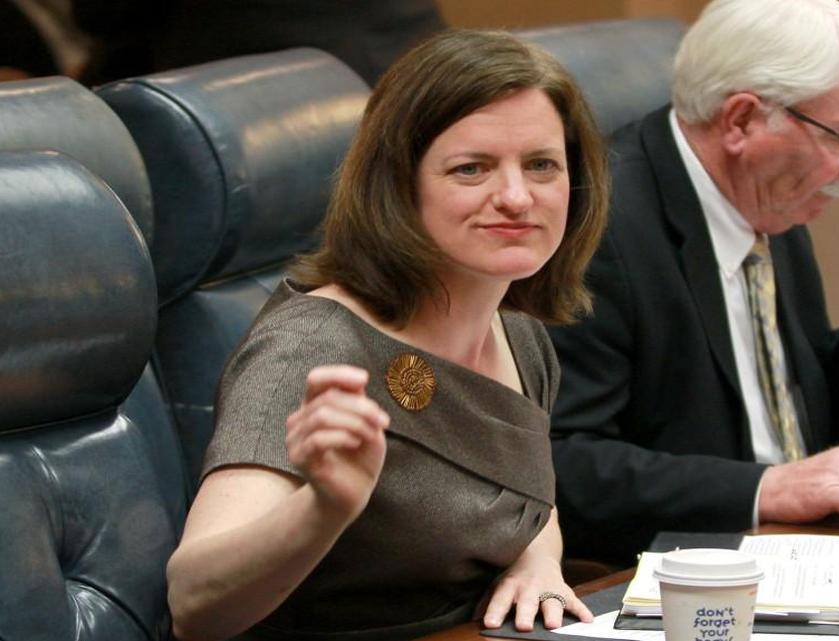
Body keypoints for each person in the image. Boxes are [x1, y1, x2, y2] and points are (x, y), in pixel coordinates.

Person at [165, 30, 609, 641]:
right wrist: (323, 509)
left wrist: (538, 561)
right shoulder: (313, 347)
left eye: (541, 165)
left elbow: (527, 497)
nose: (515, 197)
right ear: (399, 186)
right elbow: (193, 604)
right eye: (471, 168)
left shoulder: (518, 331)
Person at [546, 0, 839, 565]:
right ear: (741, 121)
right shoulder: (596, 224)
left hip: (796, 555)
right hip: (655, 577)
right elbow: (560, 463)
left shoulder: (769, 197)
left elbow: (777, 417)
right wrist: (765, 489)